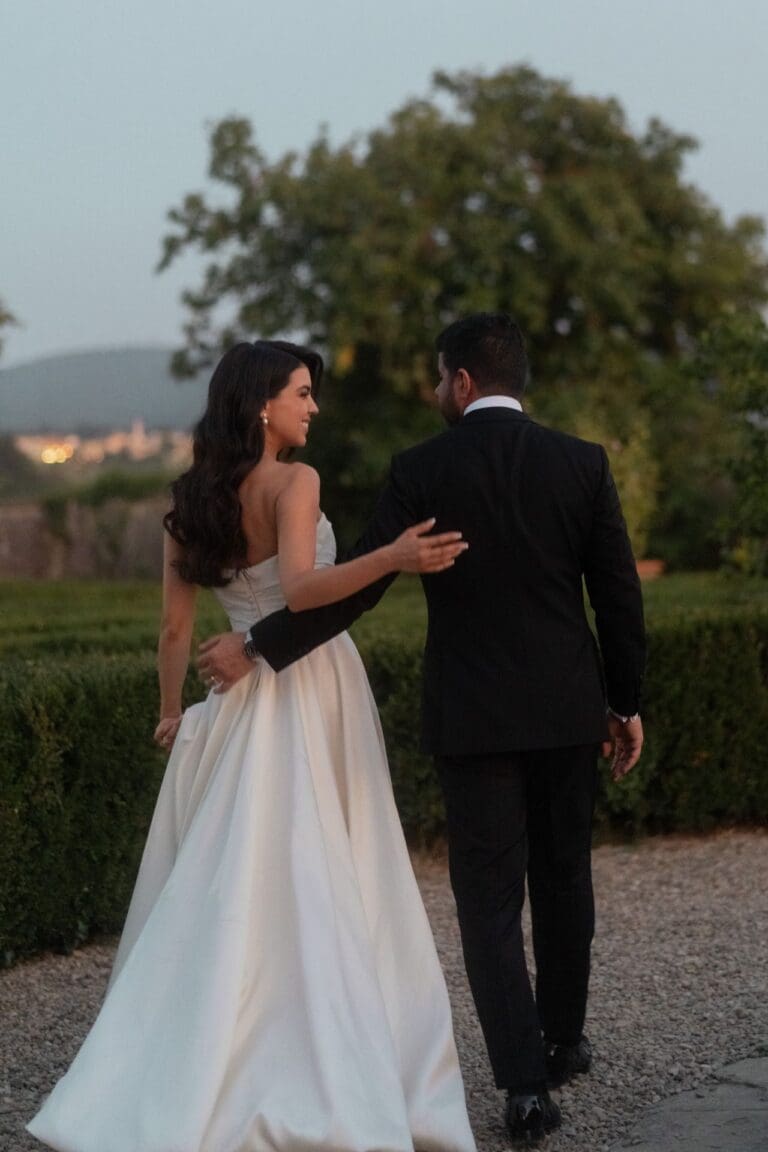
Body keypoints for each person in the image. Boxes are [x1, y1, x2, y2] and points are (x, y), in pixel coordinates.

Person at [197, 314, 647, 1144]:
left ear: (462, 383)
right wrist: (624, 703)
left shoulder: (422, 468)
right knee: (564, 878)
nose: (438, 390)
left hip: (470, 717)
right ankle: (563, 1040)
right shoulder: (581, 462)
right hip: (565, 710)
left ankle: (523, 1088)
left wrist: (257, 646)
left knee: (487, 901)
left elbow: (358, 590)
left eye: (440, 378)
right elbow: (618, 596)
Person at [27, 340, 477, 1152]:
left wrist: (172, 711)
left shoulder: (190, 496)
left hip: (236, 699)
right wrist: (394, 556)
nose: (313, 408)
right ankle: (326, 1055)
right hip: (310, 682)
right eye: (302, 393)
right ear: (262, 405)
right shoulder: (295, 483)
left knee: (241, 872)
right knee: (324, 862)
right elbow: (302, 590)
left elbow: (174, 629)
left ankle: (212, 1052)